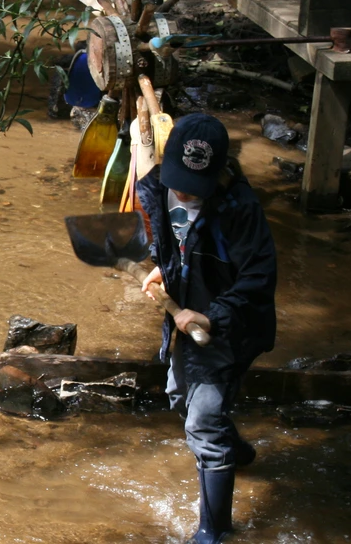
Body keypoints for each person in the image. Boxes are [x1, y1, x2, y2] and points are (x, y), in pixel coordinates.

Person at [135, 113, 277, 543]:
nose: (183, 192)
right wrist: (164, 268)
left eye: (195, 187)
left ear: (219, 174)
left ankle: (213, 532)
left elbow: (259, 278)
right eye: (178, 180)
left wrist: (212, 315)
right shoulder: (159, 189)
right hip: (186, 316)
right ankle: (236, 450)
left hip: (231, 326)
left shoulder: (240, 209)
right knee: (179, 396)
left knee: (203, 422)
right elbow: (175, 243)